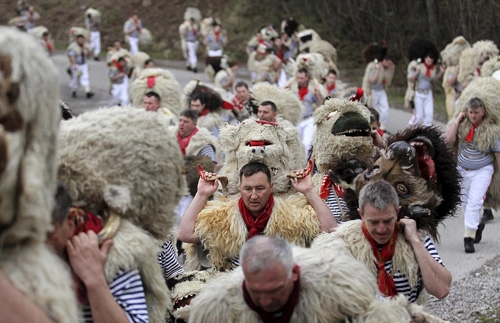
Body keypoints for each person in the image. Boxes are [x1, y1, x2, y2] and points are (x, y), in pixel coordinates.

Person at [189, 235, 445, 322]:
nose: (266, 301)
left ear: (293, 273)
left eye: (275, 290)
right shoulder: (217, 308)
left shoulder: (338, 283)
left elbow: (375, 312)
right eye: (257, 292)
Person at [178, 161, 336, 270]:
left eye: (260, 188)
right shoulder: (222, 217)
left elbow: (330, 229)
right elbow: (185, 234)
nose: (253, 195)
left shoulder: (290, 217)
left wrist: (309, 191)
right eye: (248, 189)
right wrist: (201, 193)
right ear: (240, 188)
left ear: (271, 187)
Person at [313, 179, 452, 303]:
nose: (381, 229)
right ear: (361, 215)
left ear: (397, 213)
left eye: (388, 221)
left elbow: (441, 289)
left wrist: (415, 241)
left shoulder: (416, 236)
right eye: (373, 222)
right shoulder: (347, 242)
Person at [445, 97, 500, 253]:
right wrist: (457, 121)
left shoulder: (492, 131)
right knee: (464, 202)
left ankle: (468, 238)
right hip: (462, 169)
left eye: (476, 112)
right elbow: (448, 140)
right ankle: (477, 224)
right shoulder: (462, 127)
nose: (473, 116)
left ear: (483, 112)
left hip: (483, 170)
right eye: (470, 112)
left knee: (474, 202)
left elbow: (498, 155)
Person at [290, 68, 326, 155]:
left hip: (309, 119)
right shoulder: (292, 89)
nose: (299, 80)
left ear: (307, 78)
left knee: (307, 143)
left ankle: (306, 165)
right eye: (298, 78)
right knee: (296, 144)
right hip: (296, 120)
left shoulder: (312, 90)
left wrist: (317, 94)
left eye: (301, 78)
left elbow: (321, 105)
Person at [407, 53, 445, 126]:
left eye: (431, 61)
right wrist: (417, 71)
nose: (429, 62)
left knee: (429, 115)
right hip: (418, 93)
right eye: (428, 60)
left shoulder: (432, 69)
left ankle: (426, 131)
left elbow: (434, 79)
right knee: (419, 115)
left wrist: (441, 72)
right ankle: (410, 129)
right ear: (425, 58)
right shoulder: (418, 66)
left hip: (428, 93)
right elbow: (410, 78)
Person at [362, 55, 395, 130]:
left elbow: (389, 80)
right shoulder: (375, 66)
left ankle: (381, 127)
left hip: (381, 91)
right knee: (371, 109)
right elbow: (371, 80)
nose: (388, 63)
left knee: (385, 109)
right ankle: (369, 125)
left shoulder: (388, 68)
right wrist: (377, 70)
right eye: (386, 61)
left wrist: (392, 69)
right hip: (373, 91)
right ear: (383, 60)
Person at [67, 34, 94, 99]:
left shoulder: (86, 46)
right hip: (76, 65)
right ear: (77, 40)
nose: (80, 41)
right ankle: (73, 91)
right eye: (79, 39)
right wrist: (74, 64)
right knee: (75, 79)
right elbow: (71, 56)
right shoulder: (73, 47)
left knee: (85, 77)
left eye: (82, 39)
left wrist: (86, 49)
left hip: (83, 65)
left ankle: (88, 92)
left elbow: (90, 55)